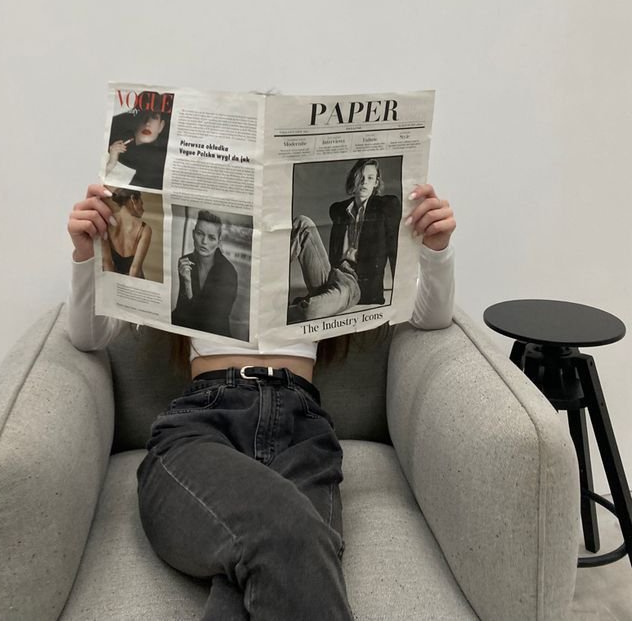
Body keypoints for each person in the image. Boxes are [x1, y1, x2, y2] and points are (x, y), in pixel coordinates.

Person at [67, 181, 456, 621]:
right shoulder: (190, 265)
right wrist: (86, 256)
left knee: (274, 561)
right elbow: (88, 337)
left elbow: (432, 318)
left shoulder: (303, 245)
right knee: (291, 533)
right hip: (203, 423)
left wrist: (436, 250)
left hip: (301, 429)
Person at [288, 158, 401, 322]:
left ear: (376, 183)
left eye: (370, 178)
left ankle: (285, 313)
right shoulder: (340, 210)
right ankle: (271, 275)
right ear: (353, 179)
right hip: (329, 274)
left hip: (353, 284)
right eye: (360, 177)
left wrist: (402, 289)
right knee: (303, 222)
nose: (364, 182)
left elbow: (394, 247)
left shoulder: (383, 208)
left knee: (309, 311)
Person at [171, 210, 239, 338]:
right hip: (186, 331)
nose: (204, 242)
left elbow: (210, 321)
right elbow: (181, 309)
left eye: (211, 237)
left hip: (214, 336)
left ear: (219, 241)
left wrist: (188, 284)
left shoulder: (228, 273)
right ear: (193, 234)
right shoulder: (185, 262)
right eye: (200, 234)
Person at [106, 108, 169, 190]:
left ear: (161, 126)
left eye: (154, 117)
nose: (148, 123)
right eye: (144, 115)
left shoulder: (159, 163)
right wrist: (111, 163)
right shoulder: (114, 142)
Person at [100, 189, 152, 279]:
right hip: (135, 283)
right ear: (133, 200)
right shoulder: (145, 229)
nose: (143, 210)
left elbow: (107, 263)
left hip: (111, 280)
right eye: (141, 203)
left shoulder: (106, 221)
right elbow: (135, 269)